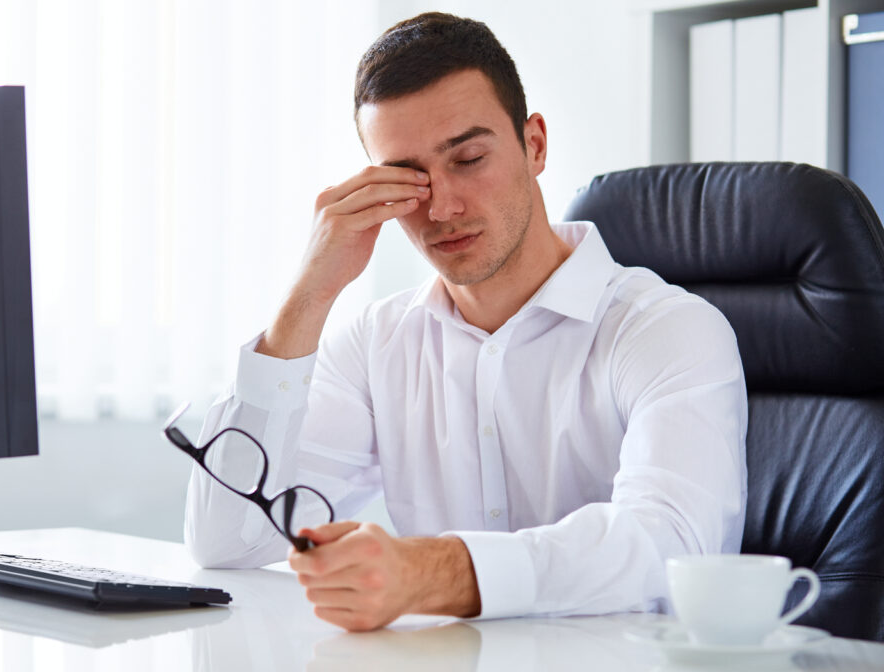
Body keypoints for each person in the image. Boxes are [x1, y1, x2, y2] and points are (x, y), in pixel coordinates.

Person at [184, 12, 747, 632]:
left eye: (470, 158)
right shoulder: (379, 342)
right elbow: (226, 541)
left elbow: (671, 545)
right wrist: (309, 295)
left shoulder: (668, 330)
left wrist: (437, 571)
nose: (443, 208)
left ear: (534, 144)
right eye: (409, 179)